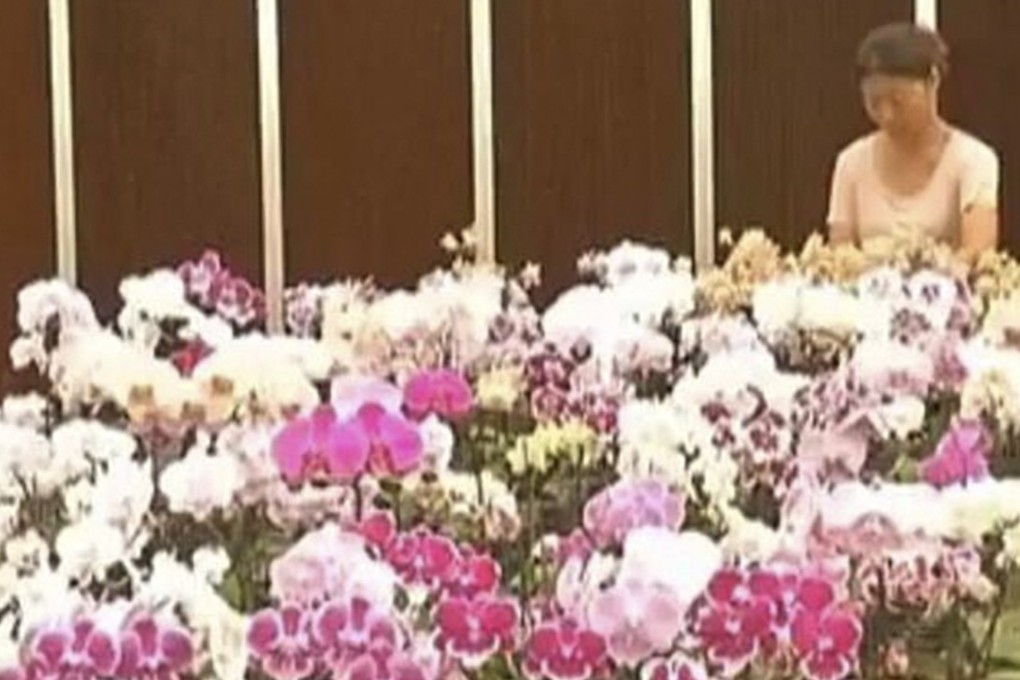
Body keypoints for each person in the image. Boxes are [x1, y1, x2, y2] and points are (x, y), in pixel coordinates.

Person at [827, 22, 999, 259]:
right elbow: (839, 256)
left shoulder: (973, 159)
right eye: (874, 103)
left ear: (932, 82)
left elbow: (978, 252)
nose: (886, 115)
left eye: (898, 101)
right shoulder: (850, 162)